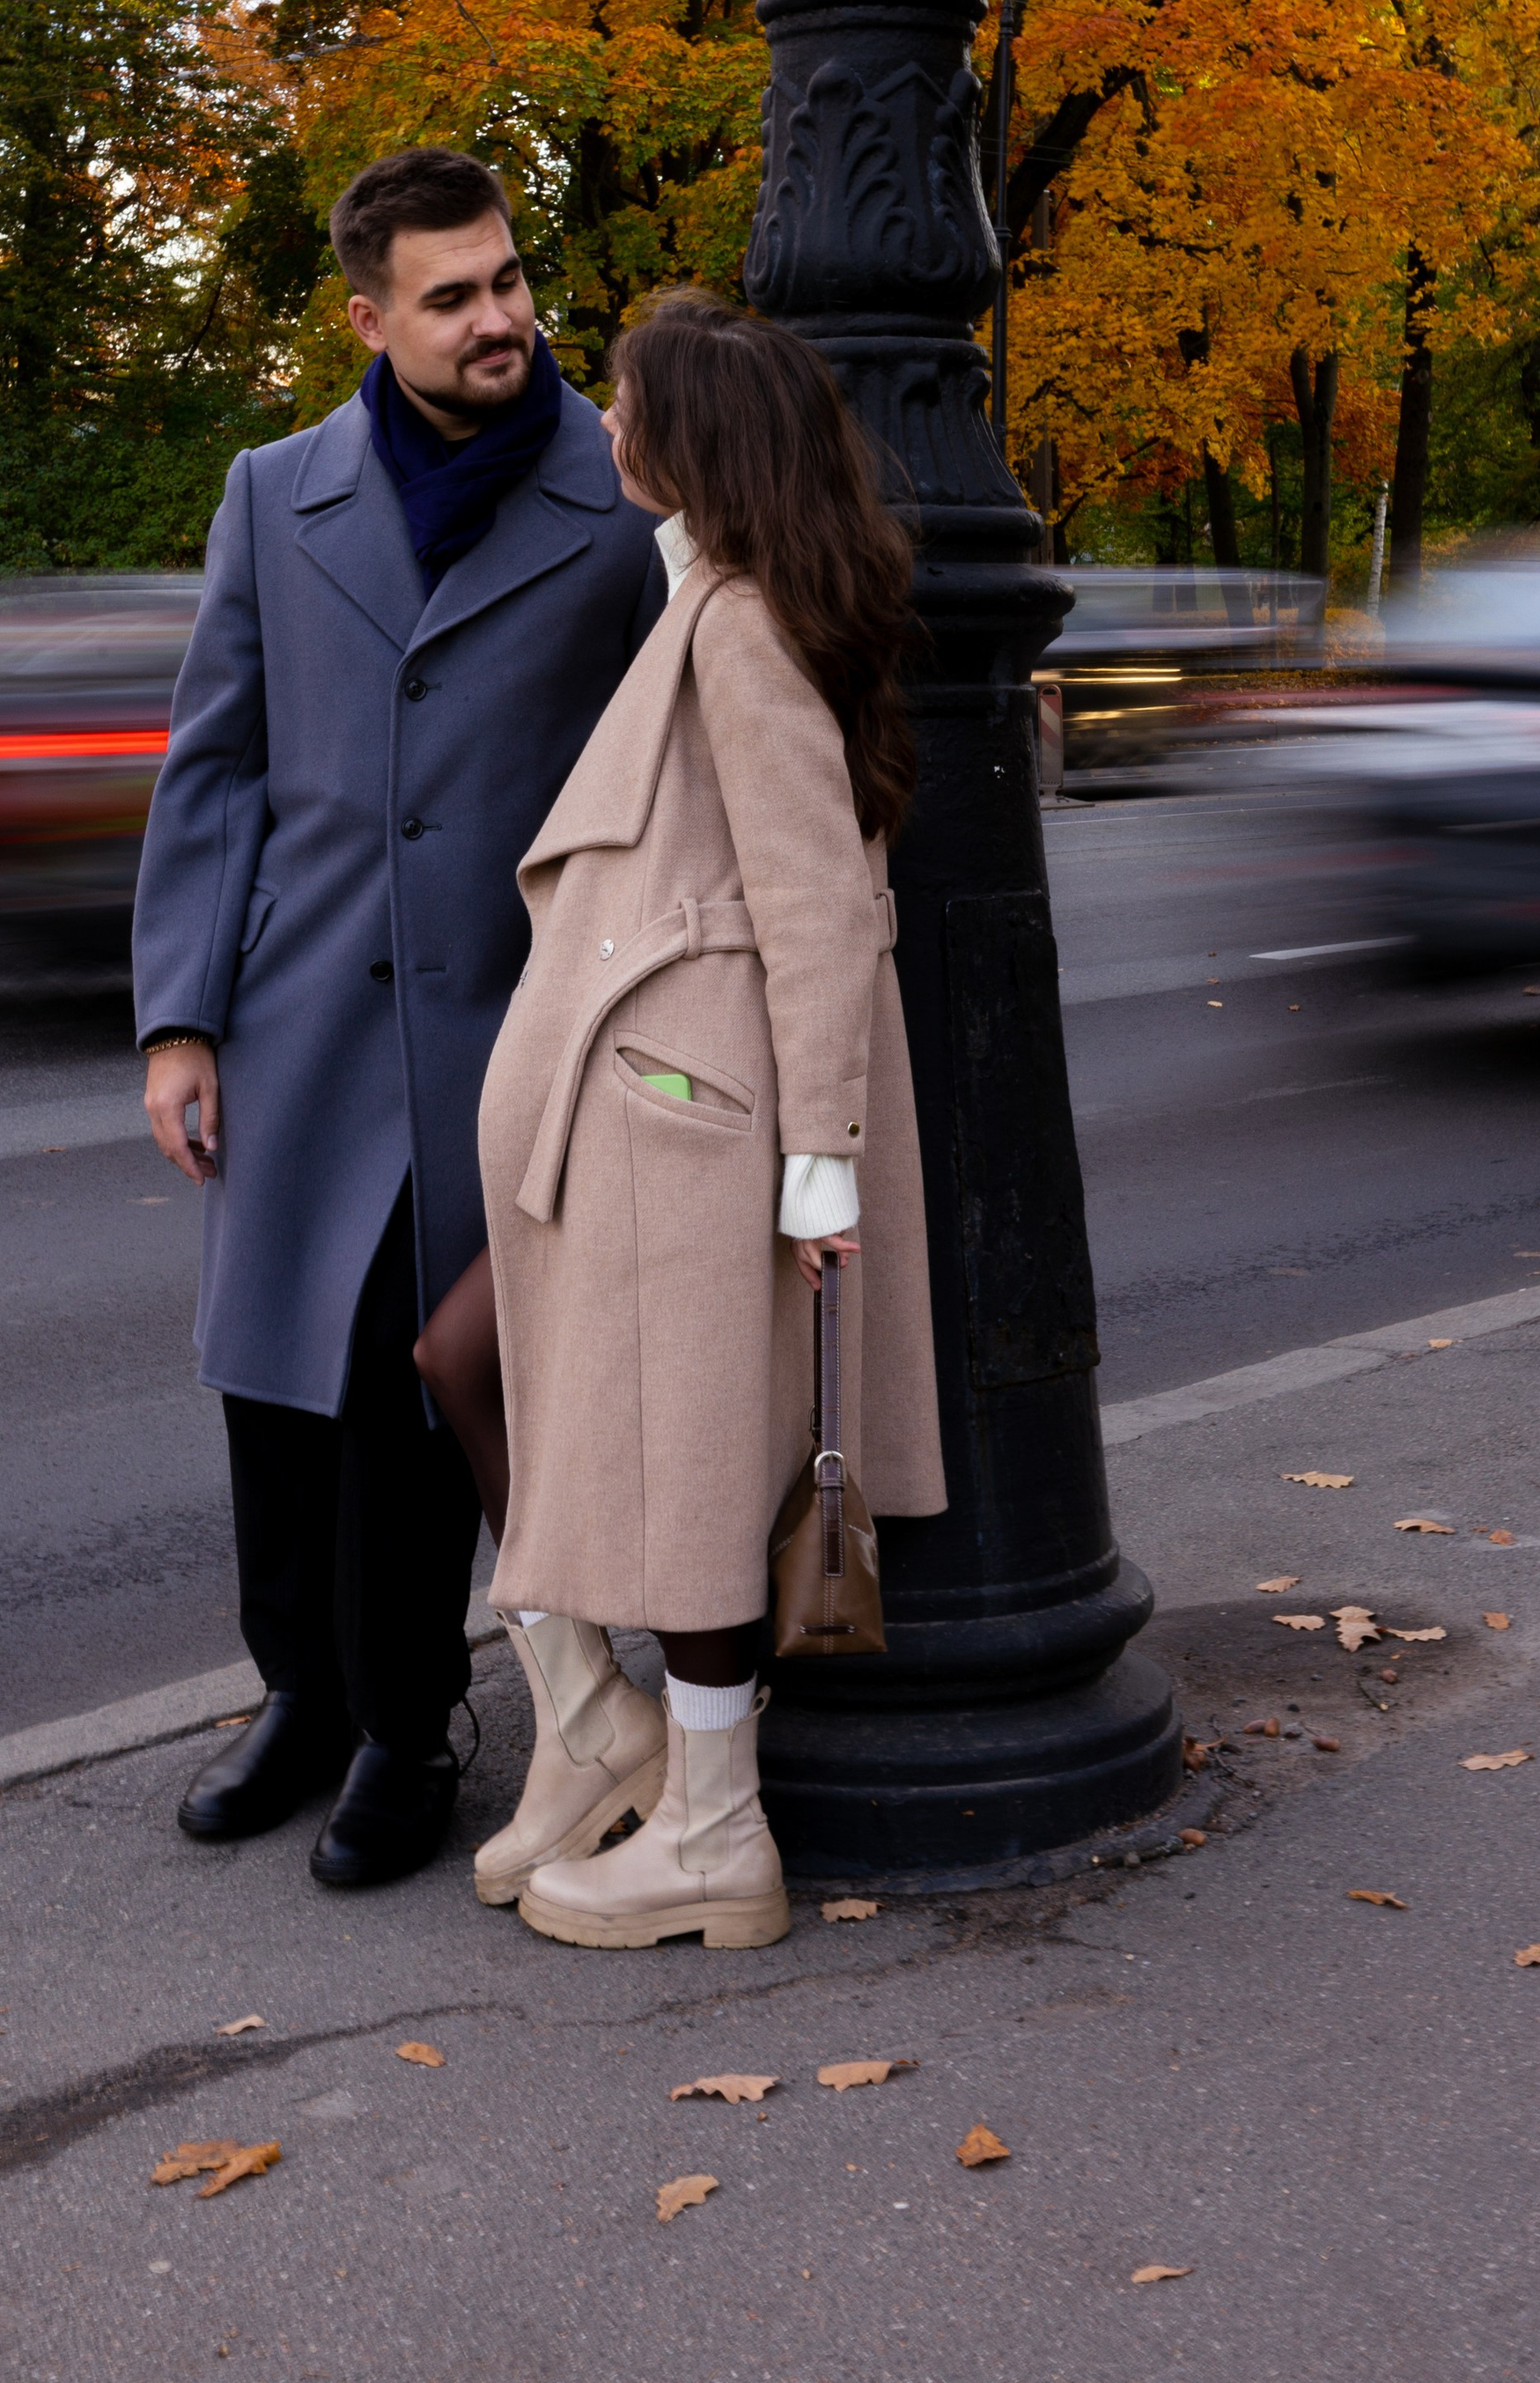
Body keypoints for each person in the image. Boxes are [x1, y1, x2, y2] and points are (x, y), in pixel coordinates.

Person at [133, 149, 663, 1890]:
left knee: (412, 1392)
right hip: (298, 1020)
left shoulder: (621, 493)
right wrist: (180, 1021)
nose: (499, 316)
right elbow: (213, 772)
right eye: (453, 296)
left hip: (504, 1033)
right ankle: (292, 1694)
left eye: (507, 280)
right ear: (370, 319)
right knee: (268, 1382)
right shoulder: (273, 494)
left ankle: (404, 1723)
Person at [416, 287, 947, 1950]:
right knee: (472, 1364)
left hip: (699, 1112)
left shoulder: (739, 622)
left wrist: (814, 1164)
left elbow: (817, 902)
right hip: (660, 1105)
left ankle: (715, 1828)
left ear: (697, 439)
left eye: (633, 407)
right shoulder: (712, 597)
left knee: (698, 1470)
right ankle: (594, 1733)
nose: (611, 428)